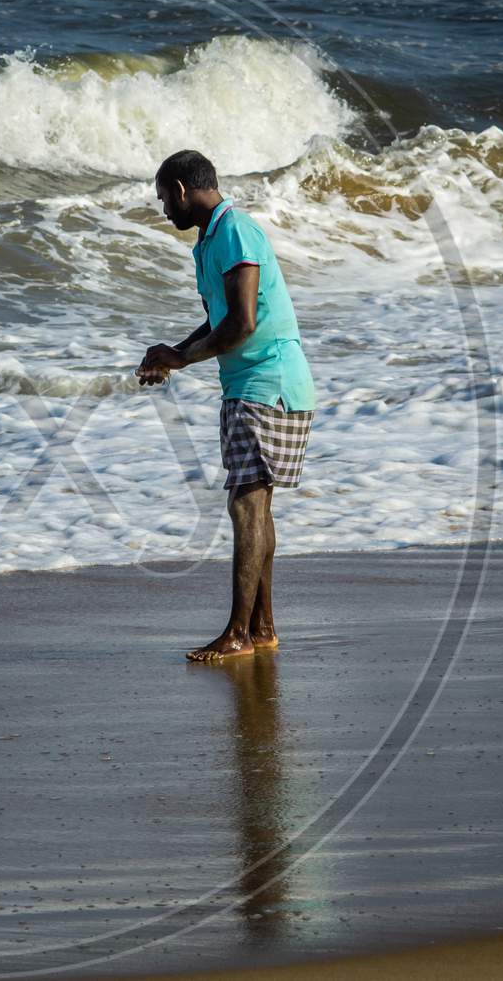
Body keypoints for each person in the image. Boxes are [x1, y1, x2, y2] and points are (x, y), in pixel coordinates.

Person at [137, 150, 316, 661]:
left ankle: (238, 633)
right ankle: (261, 628)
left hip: (269, 381)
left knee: (246, 503)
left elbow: (242, 325)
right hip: (249, 383)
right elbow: (218, 320)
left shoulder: (235, 229)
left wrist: (184, 360)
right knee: (255, 503)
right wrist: (173, 354)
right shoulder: (207, 244)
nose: (164, 210)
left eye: (163, 199)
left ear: (181, 188)